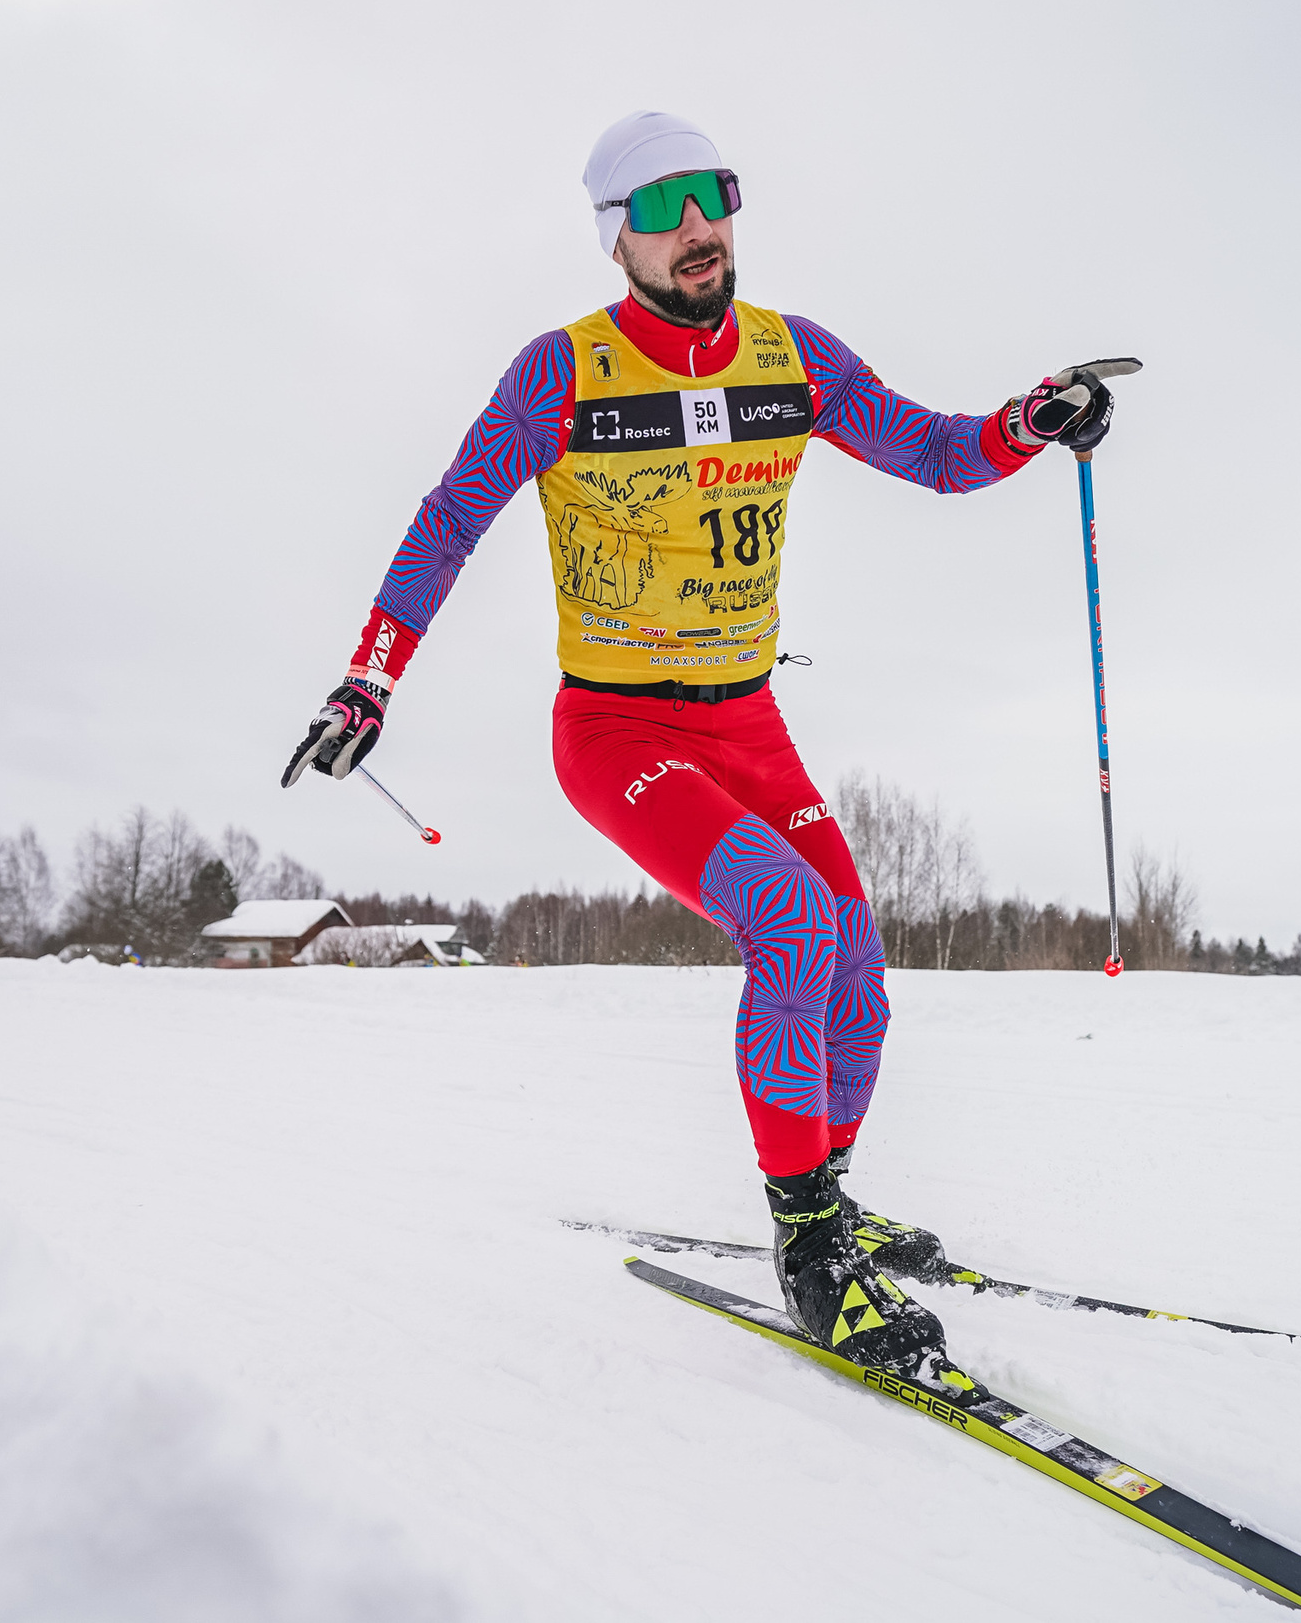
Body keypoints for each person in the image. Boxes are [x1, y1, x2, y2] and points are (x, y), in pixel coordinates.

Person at [283, 110, 1130, 1379]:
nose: (696, 227)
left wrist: (1032, 418)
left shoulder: (793, 356)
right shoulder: (560, 374)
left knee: (857, 970)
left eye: (714, 197)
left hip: (746, 721)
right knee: (790, 921)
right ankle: (809, 1252)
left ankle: (827, 1191)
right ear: (614, 236)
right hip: (618, 727)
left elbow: (939, 456)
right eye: (663, 205)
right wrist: (368, 681)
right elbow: (449, 515)